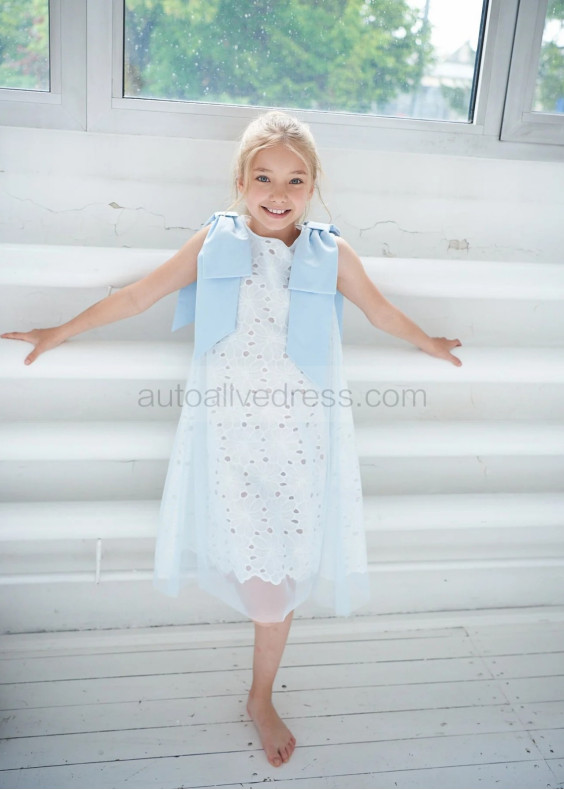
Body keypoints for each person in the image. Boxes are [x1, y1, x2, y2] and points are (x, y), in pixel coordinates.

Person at [1, 109, 462, 769]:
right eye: (264, 176)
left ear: (314, 186)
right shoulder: (215, 243)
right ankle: (259, 688)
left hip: (302, 437)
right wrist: (57, 331)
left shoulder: (329, 251)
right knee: (256, 573)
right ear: (242, 180)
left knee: (284, 578)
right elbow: (137, 297)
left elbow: (379, 310)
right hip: (231, 439)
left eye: (296, 180)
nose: (279, 193)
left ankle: (260, 694)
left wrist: (430, 342)